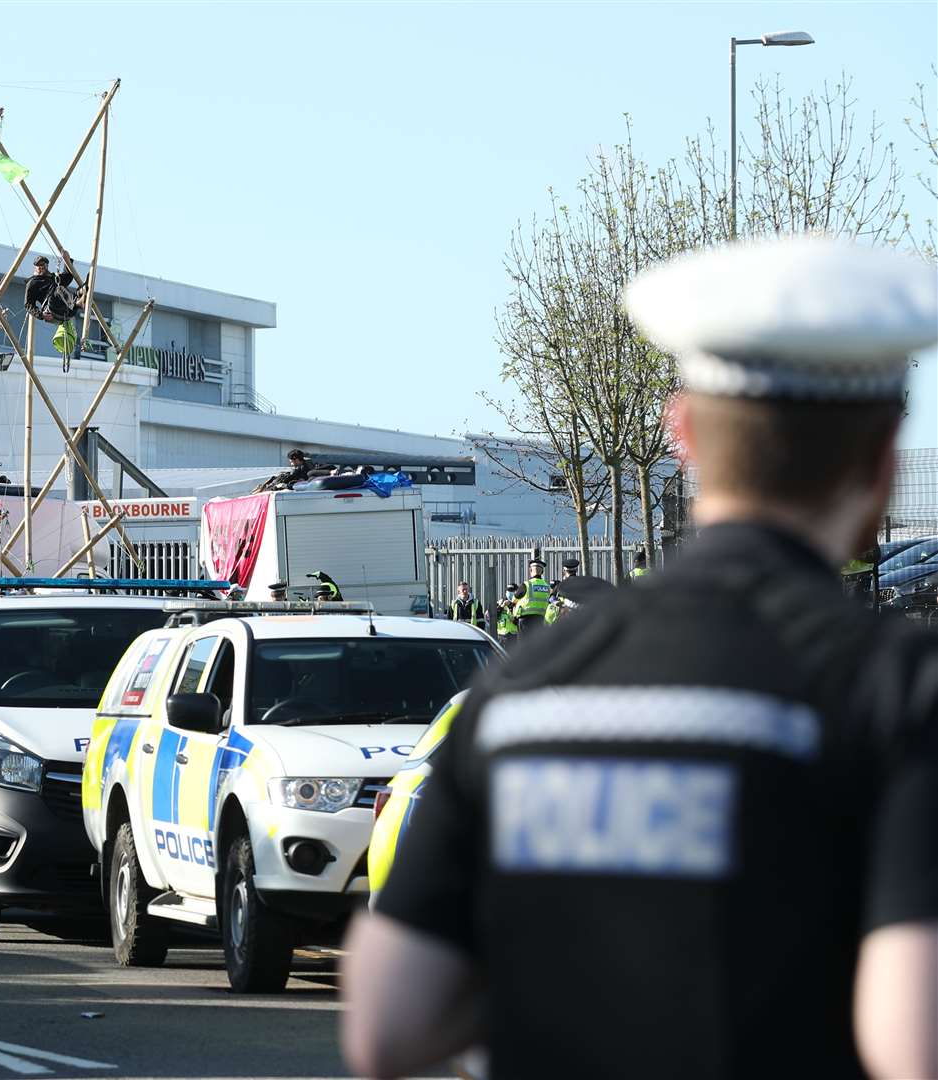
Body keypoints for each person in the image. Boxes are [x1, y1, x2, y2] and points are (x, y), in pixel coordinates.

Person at [340, 235, 938, 1080]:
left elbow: (389, 1027)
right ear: (881, 460)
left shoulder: (525, 686)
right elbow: (913, 1042)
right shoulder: (898, 690)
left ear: (682, 432)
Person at [23, 255, 79, 323]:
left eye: (43, 264)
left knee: (79, 291)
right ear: (35, 267)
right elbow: (28, 304)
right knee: (59, 289)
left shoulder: (54, 278)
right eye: (38, 265)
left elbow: (67, 277)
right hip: (51, 308)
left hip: (65, 310)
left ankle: (79, 301)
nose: (41, 267)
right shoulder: (33, 282)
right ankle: (76, 303)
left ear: (47, 266)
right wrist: (41, 315)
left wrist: (68, 261)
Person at [511, 557, 550, 636]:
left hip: (525, 620)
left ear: (530, 570)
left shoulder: (527, 585)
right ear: (542, 572)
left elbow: (514, 600)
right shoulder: (547, 587)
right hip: (540, 620)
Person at [544, 558, 582, 625]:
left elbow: (551, 598)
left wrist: (557, 603)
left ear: (564, 571)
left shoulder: (560, 586)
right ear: (576, 570)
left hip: (563, 618)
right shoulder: (582, 585)